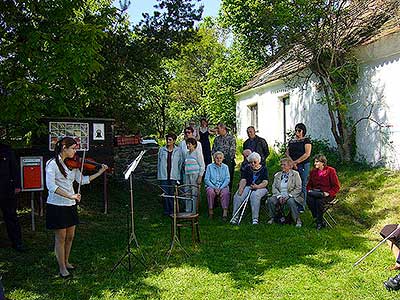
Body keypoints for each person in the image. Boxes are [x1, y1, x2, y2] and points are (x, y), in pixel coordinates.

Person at [46, 137, 108, 279]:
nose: (75, 151)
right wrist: (70, 195)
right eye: (73, 148)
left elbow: (82, 180)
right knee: (60, 237)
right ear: (64, 148)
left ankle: (66, 261)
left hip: (70, 205)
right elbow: (51, 187)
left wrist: (99, 172)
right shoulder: (52, 164)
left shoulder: (73, 165)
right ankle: (61, 267)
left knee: (70, 236)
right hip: (57, 205)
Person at [231, 152, 268, 225]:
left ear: (259, 161)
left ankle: (255, 219)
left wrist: (257, 186)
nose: (253, 164)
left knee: (254, 195)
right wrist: (241, 189)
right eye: (251, 162)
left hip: (261, 187)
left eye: (255, 162)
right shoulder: (247, 168)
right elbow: (243, 179)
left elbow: (265, 182)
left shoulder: (264, 169)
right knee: (238, 196)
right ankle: (235, 217)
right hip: (248, 186)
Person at [267, 158, 304, 227]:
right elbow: (274, 187)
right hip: (279, 195)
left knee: (291, 201)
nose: (282, 166)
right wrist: (279, 196)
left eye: (284, 165)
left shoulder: (295, 174)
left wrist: (288, 196)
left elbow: (298, 187)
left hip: (291, 195)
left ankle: (297, 220)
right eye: (281, 165)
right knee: (270, 200)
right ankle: (272, 218)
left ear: (290, 166)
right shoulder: (278, 175)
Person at [306, 154, 340, 230]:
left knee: (319, 201)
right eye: (314, 162)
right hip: (315, 193)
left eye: (317, 162)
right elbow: (309, 185)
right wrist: (309, 191)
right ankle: (318, 219)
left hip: (327, 194)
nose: (315, 164)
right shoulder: (313, 172)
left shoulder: (330, 171)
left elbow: (336, 186)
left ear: (323, 162)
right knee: (309, 199)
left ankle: (319, 222)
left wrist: (328, 193)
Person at [0, 142, 23, 252]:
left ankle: (17, 242)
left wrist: (17, 185)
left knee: (11, 217)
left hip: (7, 190)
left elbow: (14, 168)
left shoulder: (6, 150)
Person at [286, 123, 312, 206]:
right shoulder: (292, 141)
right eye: (296, 130)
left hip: (303, 164)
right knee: (293, 183)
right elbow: (287, 153)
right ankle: (293, 202)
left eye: (299, 130)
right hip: (293, 165)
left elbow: (307, 154)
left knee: (302, 183)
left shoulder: (306, 140)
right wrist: (292, 163)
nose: (297, 132)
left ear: (303, 131)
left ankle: (302, 204)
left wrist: (296, 162)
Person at [157, 133, 183, 216]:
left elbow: (180, 163)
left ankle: (173, 210)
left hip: (174, 175)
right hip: (164, 175)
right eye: (167, 139)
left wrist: (178, 175)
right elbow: (159, 162)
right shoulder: (162, 150)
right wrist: (159, 174)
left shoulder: (178, 150)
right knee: (165, 193)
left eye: (170, 140)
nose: (168, 141)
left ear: (174, 141)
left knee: (172, 193)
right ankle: (166, 211)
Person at [204, 151, 230, 220]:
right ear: (214, 158)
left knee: (225, 192)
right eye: (217, 158)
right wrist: (214, 187)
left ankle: (225, 212)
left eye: (220, 158)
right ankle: (211, 210)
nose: (218, 159)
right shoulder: (209, 167)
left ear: (223, 159)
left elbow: (227, 179)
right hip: (212, 185)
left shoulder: (225, 167)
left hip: (222, 186)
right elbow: (206, 179)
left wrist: (220, 188)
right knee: (210, 192)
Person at [211, 123, 236, 191]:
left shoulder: (231, 138)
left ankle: (227, 195)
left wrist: (224, 159)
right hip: (217, 162)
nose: (217, 130)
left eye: (218, 128)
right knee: (217, 179)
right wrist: (216, 159)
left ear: (223, 128)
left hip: (228, 161)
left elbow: (232, 150)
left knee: (228, 179)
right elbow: (213, 150)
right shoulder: (216, 139)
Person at [183, 138, 205, 213]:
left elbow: (202, 165)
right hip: (187, 175)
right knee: (187, 192)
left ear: (194, 145)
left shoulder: (197, 153)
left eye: (189, 144)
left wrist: (200, 177)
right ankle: (188, 210)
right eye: (187, 144)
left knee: (194, 192)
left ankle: (194, 210)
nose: (188, 145)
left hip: (195, 175)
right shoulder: (186, 153)